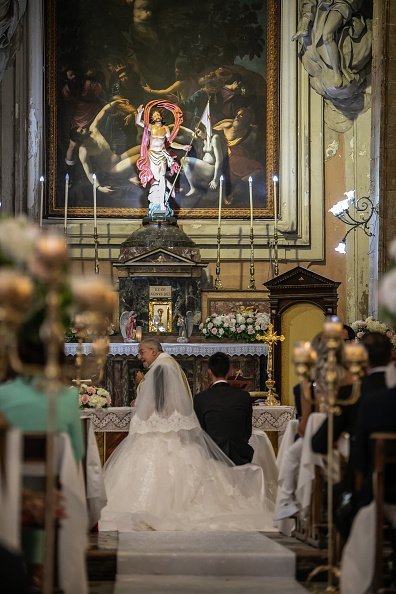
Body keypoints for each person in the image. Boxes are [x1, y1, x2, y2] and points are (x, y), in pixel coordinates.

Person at [100, 338, 274, 532]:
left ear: (154, 351)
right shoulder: (169, 364)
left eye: (142, 352)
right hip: (174, 434)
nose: (139, 356)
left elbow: (152, 404)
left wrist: (141, 389)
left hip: (157, 432)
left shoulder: (160, 368)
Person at [193, 352, 253, 465]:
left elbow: (201, 433)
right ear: (230, 371)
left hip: (211, 457)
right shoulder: (244, 396)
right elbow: (247, 432)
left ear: (209, 371)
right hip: (240, 456)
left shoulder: (200, 398)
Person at [136, 101, 191, 216]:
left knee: (161, 177)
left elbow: (170, 143)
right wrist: (140, 113)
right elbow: (138, 122)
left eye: (158, 115)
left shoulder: (165, 128)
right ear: (152, 118)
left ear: (161, 117)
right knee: (157, 177)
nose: (157, 116)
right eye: (154, 115)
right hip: (152, 154)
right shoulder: (150, 127)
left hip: (162, 154)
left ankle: (161, 205)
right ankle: (169, 186)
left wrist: (183, 147)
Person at [182, 122, 224, 198]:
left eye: (198, 131)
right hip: (203, 169)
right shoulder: (203, 139)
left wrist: (215, 179)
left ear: (204, 129)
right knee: (184, 167)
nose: (197, 134)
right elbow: (189, 133)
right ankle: (195, 187)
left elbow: (219, 160)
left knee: (185, 160)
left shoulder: (215, 138)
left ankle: (193, 188)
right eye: (196, 132)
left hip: (210, 169)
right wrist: (176, 126)